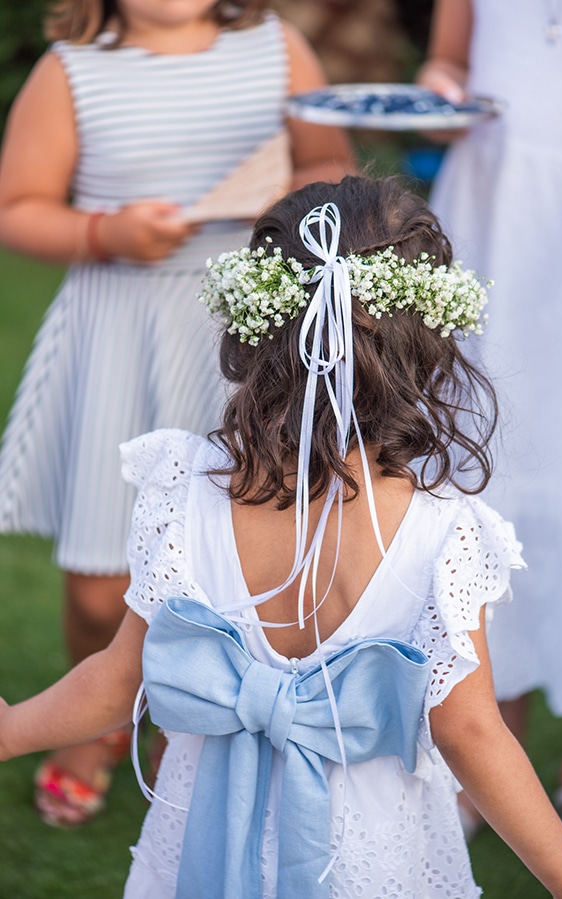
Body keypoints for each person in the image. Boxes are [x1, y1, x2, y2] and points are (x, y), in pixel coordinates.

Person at [1, 174, 562, 898]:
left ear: (254, 333)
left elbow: (118, 679)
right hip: (368, 856)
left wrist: (10, 729)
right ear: (427, 345)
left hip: (204, 837)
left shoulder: (186, 491)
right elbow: (470, 731)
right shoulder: (444, 534)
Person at [0, 0, 355, 828]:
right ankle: (97, 717)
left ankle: (192, 720)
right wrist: (103, 229)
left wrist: (284, 193)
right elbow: (18, 205)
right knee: (100, 578)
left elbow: (329, 164)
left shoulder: (278, 49)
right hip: (119, 328)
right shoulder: (72, 71)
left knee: (246, 552)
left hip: (247, 339)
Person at [416, 0, 562, 871]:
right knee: (490, 453)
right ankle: (490, 741)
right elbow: (449, 62)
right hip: (496, 210)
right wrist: (441, 90)